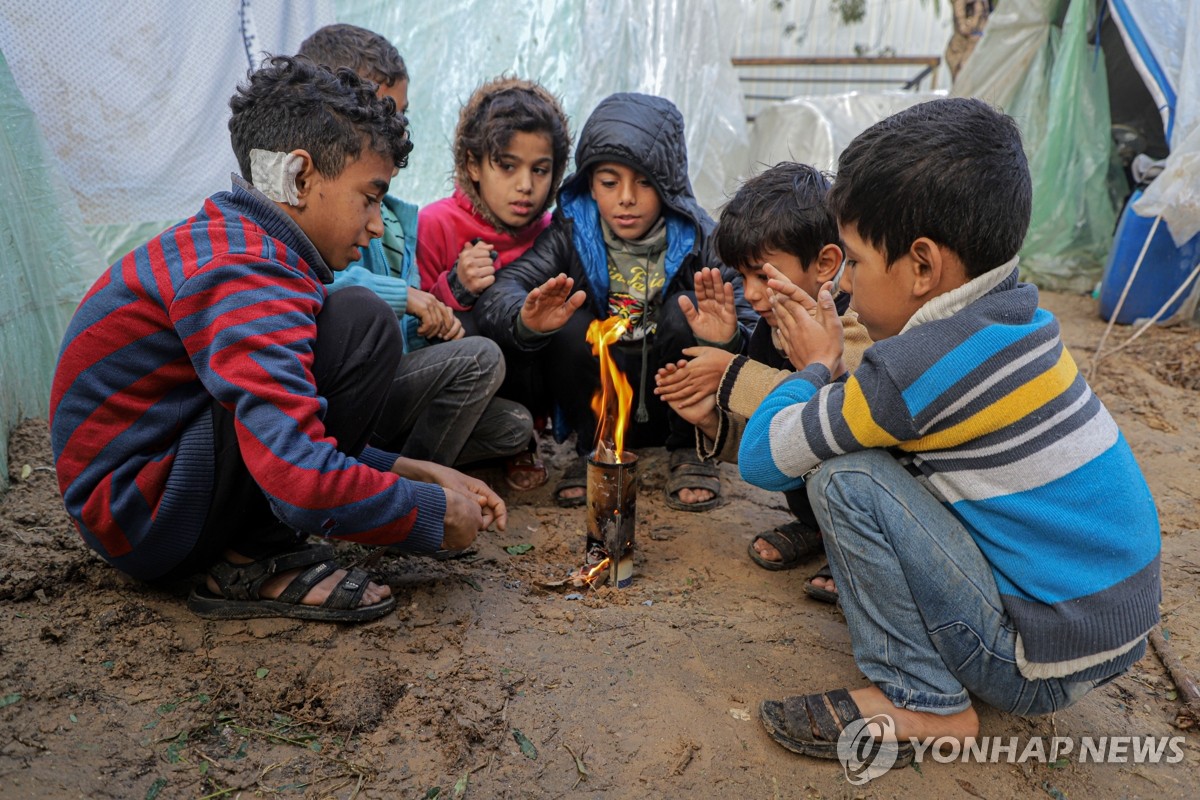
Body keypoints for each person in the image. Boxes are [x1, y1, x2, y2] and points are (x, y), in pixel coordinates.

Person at [739, 97, 1160, 770]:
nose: (844, 283)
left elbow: (762, 458)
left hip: (1038, 665)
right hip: (1114, 626)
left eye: (853, 262)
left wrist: (816, 367)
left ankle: (922, 699)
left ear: (922, 267)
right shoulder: (1017, 315)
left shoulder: (910, 374)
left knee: (844, 477)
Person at [49, 56, 506, 624]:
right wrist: (428, 514)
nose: (375, 224)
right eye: (369, 197)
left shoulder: (241, 242)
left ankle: (251, 545)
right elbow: (297, 477)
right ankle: (257, 559)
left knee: (351, 319)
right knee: (361, 324)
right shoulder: (247, 270)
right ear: (299, 176)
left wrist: (410, 471)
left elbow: (273, 424)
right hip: (141, 517)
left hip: (144, 496)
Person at [475, 92, 757, 509]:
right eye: (610, 182)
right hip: (601, 393)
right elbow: (503, 290)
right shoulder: (571, 234)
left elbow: (749, 306)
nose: (626, 197)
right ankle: (594, 446)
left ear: (670, 185)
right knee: (568, 325)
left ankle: (691, 448)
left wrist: (729, 337)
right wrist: (527, 320)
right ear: (589, 182)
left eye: (645, 182)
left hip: (672, 398)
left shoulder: (700, 237)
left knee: (688, 313)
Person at [296, 25, 534, 479]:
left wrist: (439, 312)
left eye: (400, 113)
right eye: (381, 110)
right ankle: (419, 489)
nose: (395, 127)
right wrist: (405, 297)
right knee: (481, 359)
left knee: (513, 426)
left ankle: (387, 468)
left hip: (390, 386)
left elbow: (404, 336)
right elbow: (310, 284)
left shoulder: (398, 220)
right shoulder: (312, 206)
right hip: (338, 392)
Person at [653, 162, 871, 601]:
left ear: (826, 262)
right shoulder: (774, 328)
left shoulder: (854, 317)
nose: (750, 294)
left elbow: (840, 411)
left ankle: (856, 548)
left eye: (762, 275)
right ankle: (817, 528)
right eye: (742, 276)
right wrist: (714, 417)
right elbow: (771, 435)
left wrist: (728, 371)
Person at [416, 75, 574, 490]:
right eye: (507, 166)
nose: (525, 185)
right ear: (472, 164)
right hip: (457, 389)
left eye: (540, 170)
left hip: (527, 392)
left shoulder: (551, 233)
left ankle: (525, 439)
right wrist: (455, 288)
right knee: (473, 330)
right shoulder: (434, 224)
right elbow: (410, 331)